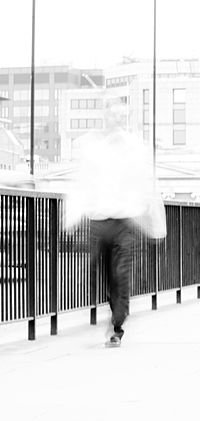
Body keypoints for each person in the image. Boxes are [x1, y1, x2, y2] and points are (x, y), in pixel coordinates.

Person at [64, 96, 165, 348]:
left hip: (125, 223)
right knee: (102, 274)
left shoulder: (134, 147)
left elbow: (147, 182)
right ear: (105, 116)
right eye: (114, 114)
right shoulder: (92, 147)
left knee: (120, 274)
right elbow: (82, 182)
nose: (118, 119)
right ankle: (114, 314)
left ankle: (117, 326)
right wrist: (72, 215)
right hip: (99, 222)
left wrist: (154, 220)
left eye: (122, 115)